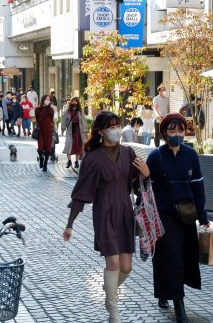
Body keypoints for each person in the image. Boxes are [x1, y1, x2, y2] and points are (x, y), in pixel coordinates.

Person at [63, 111, 149, 322]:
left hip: (125, 213)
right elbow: (81, 192)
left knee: (126, 267)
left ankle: (108, 286)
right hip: (104, 213)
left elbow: (138, 187)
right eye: (111, 126)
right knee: (114, 264)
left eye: (118, 125)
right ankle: (113, 311)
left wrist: (146, 174)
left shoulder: (129, 153)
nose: (116, 130)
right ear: (101, 131)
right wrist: (70, 224)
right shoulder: (92, 158)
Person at [146, 112, 210, 323]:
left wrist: (203, 215)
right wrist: (144, 176)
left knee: (182, 256)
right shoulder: (155, 156)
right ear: (164, 132)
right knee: (171, 257)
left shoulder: (191, 155)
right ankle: (178, 304)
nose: (177, 134)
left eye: (180, 130)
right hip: (164, 215)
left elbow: (198, 186)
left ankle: (164, 293)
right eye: (172, 130)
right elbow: (143, 189)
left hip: (187, 214)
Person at [61, 97, 87, 168]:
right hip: (70, 131)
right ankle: (69, 161)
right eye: (73, 101)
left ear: (78, 102)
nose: (74, 102)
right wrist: (62, 129)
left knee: (78, 146)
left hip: (78, 131)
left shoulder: (80, 112)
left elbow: (83, 122)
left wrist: (84, 131)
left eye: (75, 101)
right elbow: (64, 121)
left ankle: (76, 161)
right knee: (68, 146)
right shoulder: (67, 111)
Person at [35, 95, 54, 172]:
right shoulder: (37, 109)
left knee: (47, 148)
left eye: (49, 99)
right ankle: (41, 159)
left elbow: (51, 120)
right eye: (47, 99)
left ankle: (45, 164)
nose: (48, 100)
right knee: (40, 148)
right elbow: (37, 119)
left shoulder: (51, 110)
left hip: (48, 131)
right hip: (41, 130)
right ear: (43, 99)